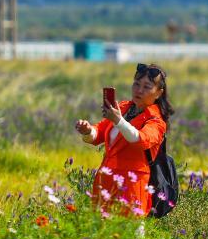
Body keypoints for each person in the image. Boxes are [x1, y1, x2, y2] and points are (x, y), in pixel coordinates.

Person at [74, 63, 174, 217]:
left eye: (147, 87)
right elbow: (99, 133)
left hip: (132, 187)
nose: (139, 90)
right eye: (136, 84)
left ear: (159, 93)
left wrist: (118, 120)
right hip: (106, 182)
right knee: (102, 236)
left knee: (131, 237)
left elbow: (140, 139)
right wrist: (88, 130)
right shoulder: (124, 108)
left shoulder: (157, 121)